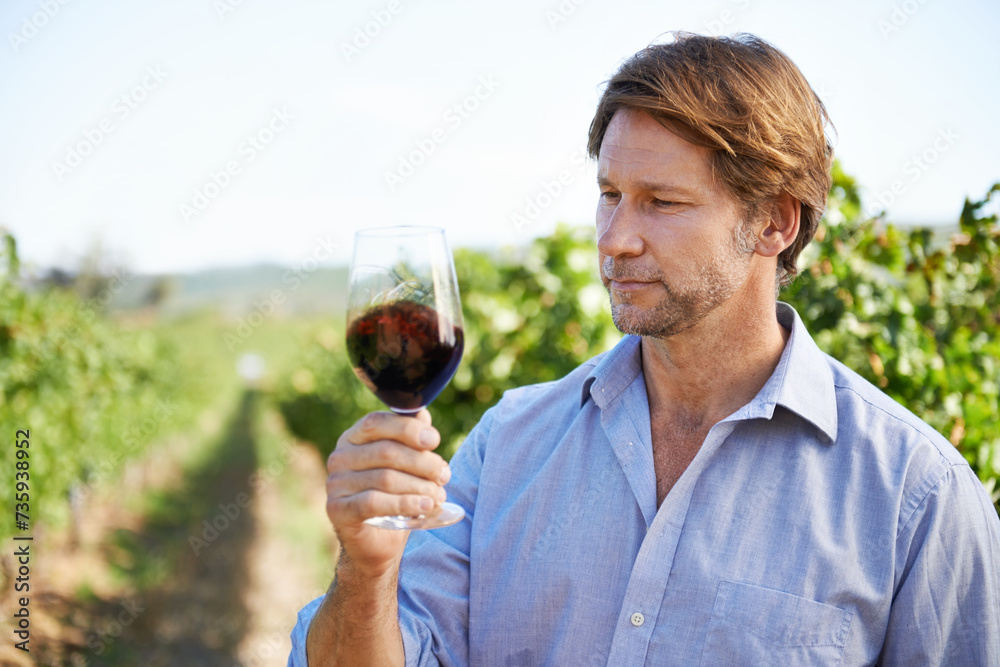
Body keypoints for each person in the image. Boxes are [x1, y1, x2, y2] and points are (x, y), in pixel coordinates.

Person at [289, 32, 1000, 665]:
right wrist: (366, 571)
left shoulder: (916, 495)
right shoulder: (506, 445)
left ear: (775, 221)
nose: (614, 238)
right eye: (609, 194)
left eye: (661, 202)